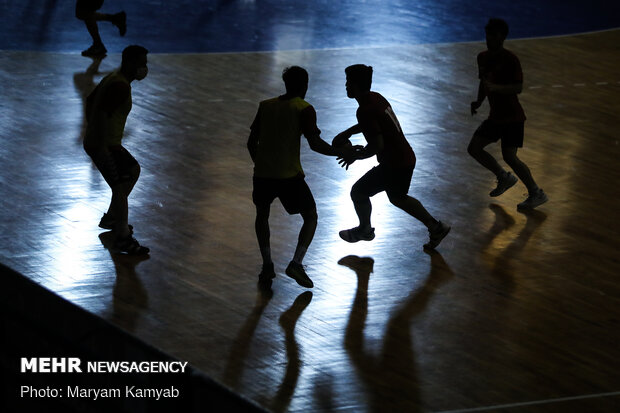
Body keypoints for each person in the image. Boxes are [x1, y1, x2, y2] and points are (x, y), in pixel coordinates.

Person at [247, 66, 349, 288]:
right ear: (305, 85)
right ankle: (296, 263)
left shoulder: (266, 106)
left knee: (262, 216)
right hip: (288, 176)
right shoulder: (304, 109)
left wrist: (261, 163)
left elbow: (250, 142)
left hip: (262, 175)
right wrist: (340, 152)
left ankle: (267, 266)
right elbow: (316, 145)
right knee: (311, 216)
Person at [334, 64, 450, 250]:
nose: (346, 85)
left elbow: (376, 145)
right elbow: (374, 124)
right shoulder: (375, 97)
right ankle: (436, 227)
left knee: (359, 192)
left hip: (393, 163)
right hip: (405, 157)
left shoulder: (364, 110)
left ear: (356, 85)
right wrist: (348, 133)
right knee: (398, 198)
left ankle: (365, 229)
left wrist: (355, 155)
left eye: (349, 82)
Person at [468, 18, 548, 210]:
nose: (488, 38)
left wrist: (497, 88)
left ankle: (536, 192)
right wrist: (479, 101)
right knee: (474, 148)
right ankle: (503, 177)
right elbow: (483, 82)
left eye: (493, 35)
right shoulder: (482, 57)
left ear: (502, 37)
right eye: (487, 34)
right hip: (496, 117)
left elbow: (518, 87)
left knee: (510, 157)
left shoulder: (510, 59)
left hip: (512, 118)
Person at [84, 45, 150, 255]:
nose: (144, 68)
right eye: (141, 64)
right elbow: (103, 112)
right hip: (105, 145)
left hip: (106, 143)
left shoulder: (113, 78)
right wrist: (102, 145)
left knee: (133, 170)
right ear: (130, 63)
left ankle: (113, 218)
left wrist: (92, 128)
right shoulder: (120, 87)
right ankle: (122, 237)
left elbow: (90, 101)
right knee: (120, 188)